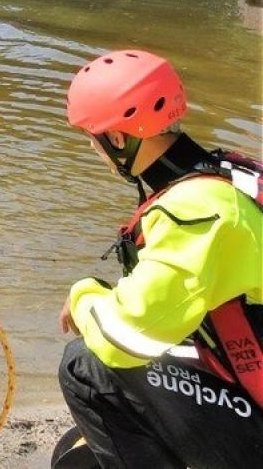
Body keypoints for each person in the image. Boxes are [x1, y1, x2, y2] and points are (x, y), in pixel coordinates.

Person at [54, 49, 263, 469]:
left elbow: (127, 339)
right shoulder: (229, 173)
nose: (94, 150)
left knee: (84, 368)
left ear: (117, 139)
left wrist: (83, 296)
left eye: (93, 139)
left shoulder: (194, 210)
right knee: (80, 448)